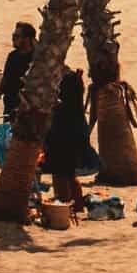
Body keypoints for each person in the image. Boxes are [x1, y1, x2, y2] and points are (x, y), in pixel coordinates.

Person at [47, 67, 91, 211]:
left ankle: (64, 205)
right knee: (70, 174)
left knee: (60, 174)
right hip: (73, 136)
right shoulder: (72, 82)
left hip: (62, 137)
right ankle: (78, 205)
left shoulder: (62, 107)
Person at [0, 21, 35, 120]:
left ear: (27, 39)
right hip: (10, 109)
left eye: (17, 36)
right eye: (13, 35)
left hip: (30, 110)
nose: (13, 38)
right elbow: (6, 78)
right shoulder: (12, 56)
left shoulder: (36, 58)